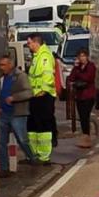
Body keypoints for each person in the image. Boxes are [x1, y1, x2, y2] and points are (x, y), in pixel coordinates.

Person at [0, 55, 36, 167]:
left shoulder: (21, 76)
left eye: (3, 65)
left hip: (17, 113)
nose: (1, 67)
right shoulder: (1, 78)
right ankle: (4, 167)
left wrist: (14, 98)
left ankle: (32, 157)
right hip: (3, 113)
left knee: (22, 139)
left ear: (10, 64)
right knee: (1, 142)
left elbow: (29, 92)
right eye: (0, 65)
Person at [27, 34, 58, 164]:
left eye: (29, 43)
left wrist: (43, 91)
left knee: (43, 126)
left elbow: (48, 76)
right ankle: (34, 154)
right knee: (33, 126)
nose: (28, 45)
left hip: (43, 97)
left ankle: (44, 157)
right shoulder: (37, 56)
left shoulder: (44, 56)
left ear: (36, 43)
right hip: (34, 96)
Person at [66, 47, 97, 149]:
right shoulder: (77, 68)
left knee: (85, 115)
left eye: (83, 56)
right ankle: (85, 136)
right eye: (80, 56)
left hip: (88, 95)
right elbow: (71, 77)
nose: (82, 58)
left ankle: (87, 137)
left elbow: (88, 77)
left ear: (87, 56)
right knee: (82, 116)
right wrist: (76, 69)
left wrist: (78, 75)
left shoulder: (91, 66)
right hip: (79, 95)